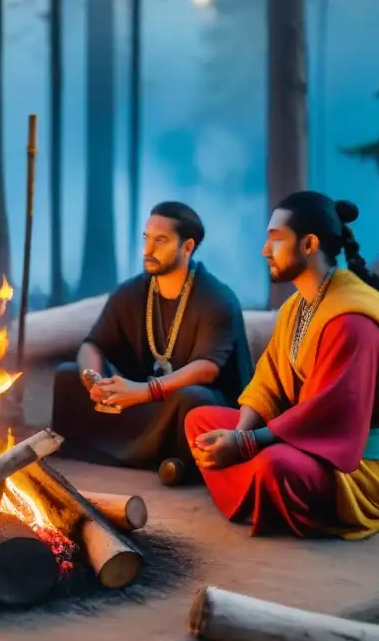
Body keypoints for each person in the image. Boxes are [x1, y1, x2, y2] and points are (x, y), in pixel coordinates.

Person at [185, 191, 379, 539]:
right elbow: (267, 382)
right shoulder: (296, 306)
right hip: (299, 438)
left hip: (354, 466)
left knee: (274, 467)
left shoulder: (351, 321)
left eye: (275, 239)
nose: (264, 250)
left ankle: (262, 491)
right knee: (200, 421)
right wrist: (242, 433)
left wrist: (246, 445)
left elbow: (326, 414)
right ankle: (260, 494)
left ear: (308, 244)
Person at [52, 202, 253, 484]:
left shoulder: (216, 298)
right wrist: (93, 380)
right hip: (145, 404)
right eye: (146, 238)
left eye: (161, 241)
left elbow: (207, 369)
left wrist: (145, 391)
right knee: (67, 375)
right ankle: (142, 458)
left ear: (187, 247)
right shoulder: (133, 292)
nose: (148, 250)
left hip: (198, 405)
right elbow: (93, 345)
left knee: (194, 399)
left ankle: (178, 463)